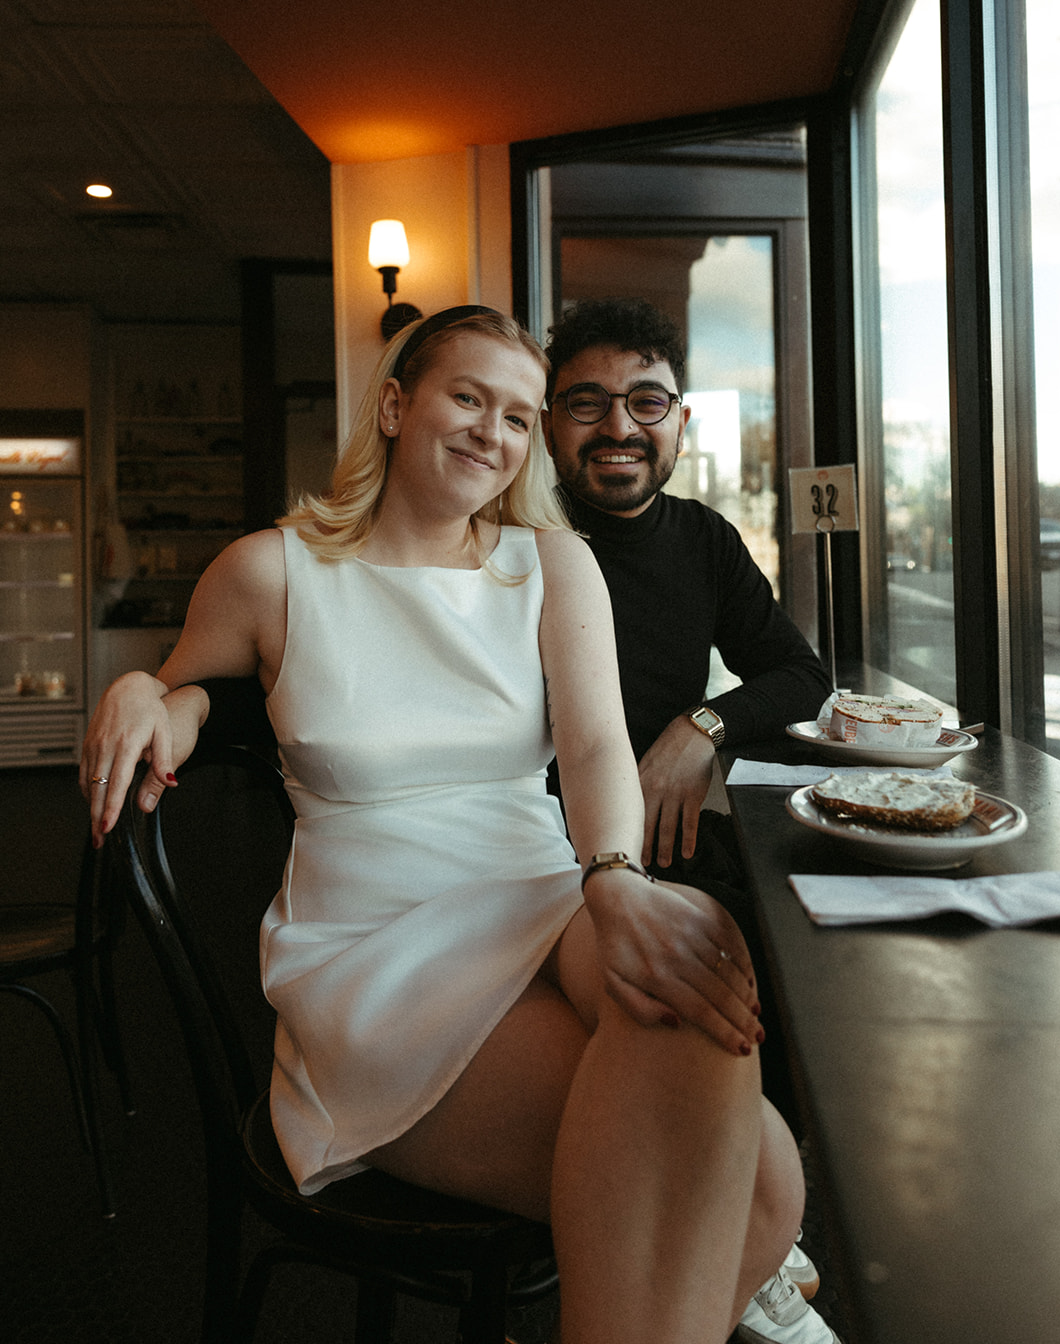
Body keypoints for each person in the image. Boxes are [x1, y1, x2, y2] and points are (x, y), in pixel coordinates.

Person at [81, 306, 824, 1344]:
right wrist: (144, 691)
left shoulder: (550, 563)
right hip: (377, 936)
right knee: (757, 1177)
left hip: (538, 882)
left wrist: (613, 876)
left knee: (693, 957)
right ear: (394, 405)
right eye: (467, 398)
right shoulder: (267, 570)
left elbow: (599, 746)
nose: (493, 433)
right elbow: (188, 694)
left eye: (518, 417)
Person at [542, 297, 832, 883]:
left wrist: (700, 728)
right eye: (586, 402)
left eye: (647, 402)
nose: (619, 426)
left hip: (659, 850)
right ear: (549, 426)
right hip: (532, 848)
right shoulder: (505, 540)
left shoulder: (704, 538)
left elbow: (802, 679)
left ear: (681, 424)